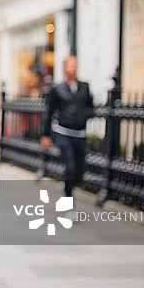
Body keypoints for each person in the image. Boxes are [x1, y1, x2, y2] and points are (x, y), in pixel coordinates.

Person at [41, 55, 94, 205]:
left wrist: (85, 115)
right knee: (70, 167)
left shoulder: (84, 87)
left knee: (80, 171)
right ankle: (69, 200)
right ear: (65, 67)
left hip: (80, 134)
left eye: (75, 64)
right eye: (70, 65)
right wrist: (46, 135)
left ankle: (67, 184)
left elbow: (91, 107)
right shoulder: (57, 89)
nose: (73, 67)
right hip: (64, 133)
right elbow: (49, 112)